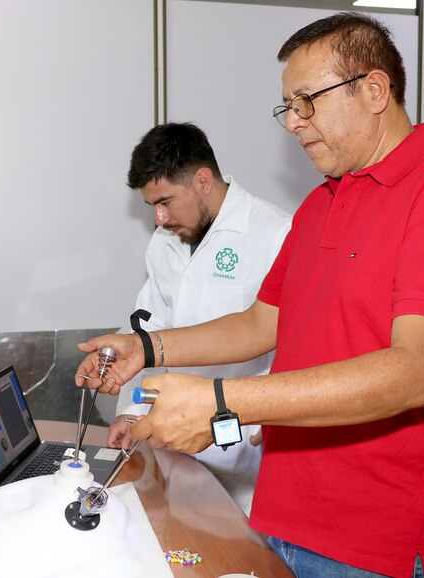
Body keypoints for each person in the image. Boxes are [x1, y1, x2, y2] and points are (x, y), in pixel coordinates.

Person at [76, 12, 424, 578]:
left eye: (307, 101)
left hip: (371, 540)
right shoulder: (320, 205)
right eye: (288, 106)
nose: (293, 123)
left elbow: (419, 372)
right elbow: (261, 323)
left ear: (374, 90)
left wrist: (223, 403)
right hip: (280, 511)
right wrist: (147, 347)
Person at [108, 122, 291, 515]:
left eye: (166, 201)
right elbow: (149, 333)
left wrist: (269, 423)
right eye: (151, 206)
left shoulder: (275, 234)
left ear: (203, 181)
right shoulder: (165, 243)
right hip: (173, 439)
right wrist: (131, 410)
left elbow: (293, 341)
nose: (159, 218)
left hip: (242, 445)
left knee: (244, 560)